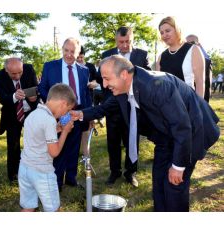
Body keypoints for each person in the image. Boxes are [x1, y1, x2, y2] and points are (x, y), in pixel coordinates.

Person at [72, 55, 220, 211]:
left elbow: (182, 126)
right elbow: (104, 108)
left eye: (107, 79)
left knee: (174, 187)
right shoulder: (123, 87)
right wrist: (80, 114)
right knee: (159, 182)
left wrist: (178, 166)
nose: (104, 84)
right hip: (165, 136)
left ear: (123, 74)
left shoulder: (157, 86)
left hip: (192, 133)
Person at [98, 26, 151, 187]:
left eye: (128, 41)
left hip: (132, 107)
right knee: (113, 142)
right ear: (116, 40)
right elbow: (102, 80)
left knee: (131, 141)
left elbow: (146, 78)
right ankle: (114, 172)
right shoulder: (106, 55)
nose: (124, 45)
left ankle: (131, 173)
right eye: (121, 42)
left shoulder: (141, 55)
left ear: (132, 39)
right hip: (113, 108)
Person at [38, 37, 92, 191]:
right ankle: (57, 180)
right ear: (62, 49)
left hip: (77, 112)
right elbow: (42, 88)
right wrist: (53, 106)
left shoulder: (84, 70)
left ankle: (71, 177)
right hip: (58, 113)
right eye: (66, 50)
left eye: (72, 51)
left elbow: (86, 94)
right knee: (59, 145)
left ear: (78, 53)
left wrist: (87, 115)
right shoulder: (50, 66)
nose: (69, 54)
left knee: (74, 146)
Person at [18, 83, 75, 212]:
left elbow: (39, 136)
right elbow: (54, 152)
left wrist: (58, 129)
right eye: (66, 110)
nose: (63, 114)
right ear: (63, 104)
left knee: (28, 207)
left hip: (25, 168)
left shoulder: (33, 114)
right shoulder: (49, 120)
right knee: (53, 210)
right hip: (42, 172)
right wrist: (65, 132)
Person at [0, 57, 39, 183]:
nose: (18, 76)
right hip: (12, 114)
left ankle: (35, 170)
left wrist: (34, 96)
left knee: (35, 142)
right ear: (6, 70)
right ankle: (14, 175)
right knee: (13, 145)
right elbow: (3, 99)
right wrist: (14, 96)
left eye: (20, 72)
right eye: (13, 73)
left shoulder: (29, 69)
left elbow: (36, 88)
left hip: (30, 112)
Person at [157, 16, 205, 98]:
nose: (164, 35)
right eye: (162, 33)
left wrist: (199, 107)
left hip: (188, 102)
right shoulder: (161, 56)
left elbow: (200, 82)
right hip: (166, 105)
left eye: (167, 31)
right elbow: (159, 83)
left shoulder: (193, 50)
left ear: (177, 30)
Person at [186, 34, 213, 102]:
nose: (189, 45)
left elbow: (207, 78)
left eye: (192, 43)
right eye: (186, 43)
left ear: (198, 43)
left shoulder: (205, 57)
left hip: (202, 94)